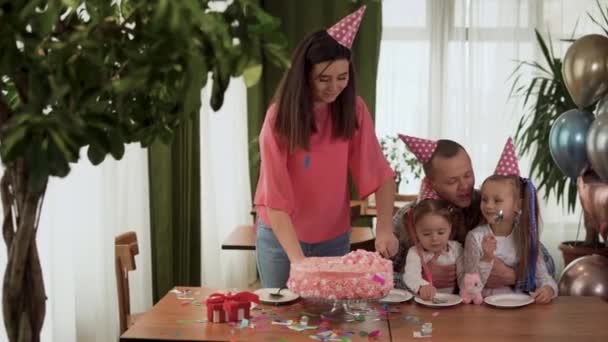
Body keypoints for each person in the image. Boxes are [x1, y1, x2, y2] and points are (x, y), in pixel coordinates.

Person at [254, 6, 398, 289]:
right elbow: (275, 200)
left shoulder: (354, 111)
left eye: (342, 78)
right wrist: (298, 262)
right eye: (323, 79)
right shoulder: (278, 119)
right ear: (304, 74)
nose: (334, 87)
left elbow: (380, 174)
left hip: (333, 238)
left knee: (330, 322)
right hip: (281, 240)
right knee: (281, 321)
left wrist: (383, 228)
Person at [390, 135, 555, 291]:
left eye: (468, 175)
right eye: (452, 181)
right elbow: (376, 278)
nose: (464, 186)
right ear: (431, 182)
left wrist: (514, 277)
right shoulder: (407, 219)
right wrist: (418, 278)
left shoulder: (488, 207)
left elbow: (548, 265)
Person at [462, 138, 557, 303]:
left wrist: (548, 290)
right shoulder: (475, 237)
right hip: (482, 309)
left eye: (497, 200)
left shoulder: (525, 237)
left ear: (517, 205)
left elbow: (545, 278)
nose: (489, 206)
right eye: (484, 199)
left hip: (518, 308)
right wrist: (486, 259)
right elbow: (468, 286)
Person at [402, 190, 464, 301]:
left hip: (453, 303)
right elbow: (410, 276)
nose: (434, 239)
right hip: (424, 303)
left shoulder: (456, 249)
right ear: (416, 232)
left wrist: (467, 288)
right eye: (426, 234)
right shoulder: (415, 252)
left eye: (441, 232)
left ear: (450, 228)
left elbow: (463, 274)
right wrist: (421, 286)